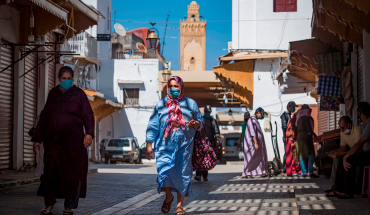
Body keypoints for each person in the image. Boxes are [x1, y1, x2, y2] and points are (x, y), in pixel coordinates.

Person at [32, 66, 95, 215]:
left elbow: (88, 115)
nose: (66, 81)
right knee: (50, 174)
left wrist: (89, 134)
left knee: (71, 175)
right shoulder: (53, 94)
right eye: (63, 78)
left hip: (73, 144)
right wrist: (37, 139)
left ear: (72, 79)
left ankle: (68, 207)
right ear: (59, 79)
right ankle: (49, 205)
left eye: (69, 78)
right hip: (53, 143)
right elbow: (45, 117)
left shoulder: (79, 94)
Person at [145, 76, 203, 215]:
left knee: (183, 173)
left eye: (176, 86)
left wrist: (196, 124)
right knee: (164, 173)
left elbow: (200, 120)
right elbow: (153, 125)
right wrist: (148, 144)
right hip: (164, 146)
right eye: (171, 86)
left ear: (181, 87)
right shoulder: (161, 105)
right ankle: (169, 196)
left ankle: (179, 205)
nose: (173, 89)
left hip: (184, 146)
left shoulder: (191, 103)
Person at [332, 102, 370, 199]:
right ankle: (338, 189)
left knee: (349, 159)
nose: (357, 115)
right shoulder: (366, 124)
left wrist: (347, 155)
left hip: (367, 154)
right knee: (342, 159)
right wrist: (343, 155)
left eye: (358, 112)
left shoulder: (368, 124)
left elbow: (360, 143)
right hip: (366, 153)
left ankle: (347, 192)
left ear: (360, 113)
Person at [324, 116, 363, 196]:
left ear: (349, 125)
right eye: (340, 128)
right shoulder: (343, 132)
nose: (341, 130)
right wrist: (335, 152)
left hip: (361, 153)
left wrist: (342, 154)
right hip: (352, 152)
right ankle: (337, 188)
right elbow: (342, 148)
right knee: (338, 157)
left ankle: (347, 190)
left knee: (347, 158)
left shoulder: (357, 130)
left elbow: (359, 149)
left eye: (343, 127)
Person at [194, 105, 220, 182]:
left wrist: (217, 139)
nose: (207, 113)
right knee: (199, 158)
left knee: (206, 159)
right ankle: (198, 175)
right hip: (200, 142)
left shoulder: (213, 121)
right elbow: (196, 130)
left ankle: (205, 176)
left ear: (210, 112)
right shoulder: (200, 120)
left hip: (209, 143)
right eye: (206, 111)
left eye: (208, 111)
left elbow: (216, 131)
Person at [242, 107, 269, 178]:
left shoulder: (254, 120)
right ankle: (245, 173)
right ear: (258, 113)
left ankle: (262, 172)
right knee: (250, 158)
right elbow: (252, 133)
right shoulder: (252, 120)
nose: (262, 116)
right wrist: (256, 143)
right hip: (251, 144)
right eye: (262, 114)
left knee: (258, 158)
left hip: (255, 144)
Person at [296, 104, 318, 178]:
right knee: (311, 154)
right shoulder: (306, 117)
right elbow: (309, 129)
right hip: (306, 137)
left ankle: (304, 172)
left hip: (300, 138)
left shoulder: (298, 117)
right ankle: (310, 172)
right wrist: (315, 135)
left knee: (302, 155)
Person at [280, 101, 298, 176]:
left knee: (291, 153)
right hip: (287, 137)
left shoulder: (290, 115)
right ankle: (284, 170)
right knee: (287, 153)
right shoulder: (284, 115)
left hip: (291, 137)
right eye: (293, 107)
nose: (294, 109)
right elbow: (285, 127)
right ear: (289, 107)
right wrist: (287, 137)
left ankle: (290, 169)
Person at [238, 112, 251, 178]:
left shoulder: (250, 124)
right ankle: (246, 172)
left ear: (249, 116)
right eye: (245, 116)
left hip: (250, 142)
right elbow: (242, 133)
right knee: (246, 157)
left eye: (247, 116)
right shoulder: (243, 124)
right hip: (244, 142)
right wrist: (239, 142)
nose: (246, 117)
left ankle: (248, 172)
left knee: (249, 157)